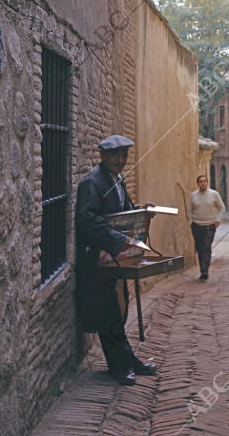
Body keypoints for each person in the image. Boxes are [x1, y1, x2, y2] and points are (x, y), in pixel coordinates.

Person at [75, 134, 157, 386]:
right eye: (115, 155)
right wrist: (114, 240)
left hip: (116, 257)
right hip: (98, 259)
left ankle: (127, 359)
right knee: (108, 312)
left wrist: (141, 211)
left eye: (124, 155)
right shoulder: (92, 182)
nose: (121, 160)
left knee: (118, 310)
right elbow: (87, 220)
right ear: (102, 155)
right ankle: (119, 367)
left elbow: (122, 213)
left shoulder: (117, 180)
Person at [188, 174, 225, 281]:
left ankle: (205, 271)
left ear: (207, 182)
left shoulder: (214, 194)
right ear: (198, 183)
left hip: (210, 225)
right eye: (200, 181)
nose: (202, 183)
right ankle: (202, 269)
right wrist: (191, 221)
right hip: (196, 225)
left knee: (206, 247)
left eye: (204, 181)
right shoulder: (193, 195)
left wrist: (218, 220)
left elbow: (221, 207)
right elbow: (189, 210)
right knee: (199, 248)